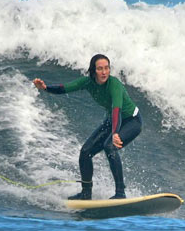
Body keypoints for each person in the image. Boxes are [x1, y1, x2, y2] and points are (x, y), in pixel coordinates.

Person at [32, 54, 142, 200]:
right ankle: (86, 193)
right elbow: (66, 88)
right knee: (85, 152)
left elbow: (117, 110)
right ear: (93, 71)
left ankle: (120, 193)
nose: (104, 72)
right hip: (112, 120)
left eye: (107, 68)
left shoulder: (114, 84)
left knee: (110, 146)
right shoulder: (88, 82)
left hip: (131, 121)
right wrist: (46, 88)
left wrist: (115, 133)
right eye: (100, 69)